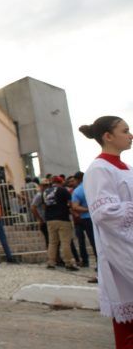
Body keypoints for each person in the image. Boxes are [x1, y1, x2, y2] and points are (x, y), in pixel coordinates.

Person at [80, 116, 133, 348]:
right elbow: (104, 212)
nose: (130, 135)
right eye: (125, 130)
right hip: (121, 252)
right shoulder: (98, 168)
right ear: (108, 136)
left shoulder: (126, 168)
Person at [43, 176, 79, 271]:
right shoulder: (63, 190)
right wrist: (74, 212)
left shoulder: (46, 192)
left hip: (50, 219)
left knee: (52, 242)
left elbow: (44, 206)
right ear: (60, 182)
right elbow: (70, 203)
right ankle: (69, 263)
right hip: (63, 219)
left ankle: (51, 262)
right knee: (65, 242)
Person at [70, 172, 97, 269]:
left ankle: (85, 261)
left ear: (77, 179)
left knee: (86, 241)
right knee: (96, 241)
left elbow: (75, 206)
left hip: (85, 218)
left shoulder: (77, 191)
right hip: (98, 216)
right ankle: (101, 263)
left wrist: (87, 209)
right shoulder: (94, 187)